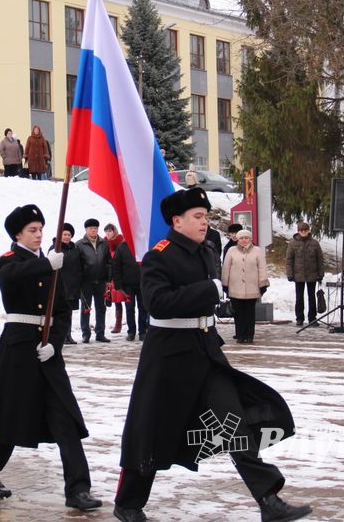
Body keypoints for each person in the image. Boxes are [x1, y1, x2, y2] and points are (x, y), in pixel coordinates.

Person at [114, 187, 312, 522]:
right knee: (152, 430)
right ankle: (128, 503)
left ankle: (267, 499)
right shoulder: (158, 256)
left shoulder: (206, 251)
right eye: (197, 217)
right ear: (177, 221)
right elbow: (157, 303)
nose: (205, 222)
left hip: (205, 352)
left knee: (233, 423)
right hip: (169, 358)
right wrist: (207, 290)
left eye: (206, 216)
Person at [0, 204, 103, 512]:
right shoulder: (7, 261)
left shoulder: (51, 266)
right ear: (17, 234)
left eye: (41, 229)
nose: (38, 234)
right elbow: (10, 277)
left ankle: (78, 489)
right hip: (18, 347)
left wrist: (55, 343)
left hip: (46, 351)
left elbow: (60, 311)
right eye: (32, 230)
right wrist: (47, 264)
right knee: (8, 416)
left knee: (66, 420)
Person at [222, 228, 270, 344]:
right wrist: (225, 284)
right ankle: (239, 335)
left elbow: (262, 268)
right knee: (238, 313)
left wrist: (263, 283)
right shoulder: (231, 251)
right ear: (238, 239)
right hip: (235, 287)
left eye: (246, 238)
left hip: (252, 287)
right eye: (242, 238)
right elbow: (226, 268)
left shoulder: (257, 251)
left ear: (250, 239)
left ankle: (249, 335)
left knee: (249, 313)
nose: (244, 240)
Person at [111, 226, 148, 341]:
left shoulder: (143, 246)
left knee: (143, 308)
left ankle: (142, 331)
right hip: (127, 285)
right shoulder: (121, 247)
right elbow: (116, 267)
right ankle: (131, 331)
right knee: (129, 308)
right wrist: (118, 284)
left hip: (142, 283)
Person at [48, 222, 83, 345]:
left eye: (69, 234)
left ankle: (68, 335)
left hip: (73, 286)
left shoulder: (74, 249)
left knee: (69, 313)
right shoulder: (54, 249)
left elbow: (79, 266)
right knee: (60, 313)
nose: (67, 237)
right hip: (60, 286)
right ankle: (60, 336)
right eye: (64, 234)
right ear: (59, 235)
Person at [77, 218, 110, 343]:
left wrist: (108, 278)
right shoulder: (79, 244)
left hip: (101, 281)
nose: (93, 230)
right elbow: (78, 265)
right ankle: (86, 334)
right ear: (86, 229)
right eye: (91, 228)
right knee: (86, 308)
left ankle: (100, 333)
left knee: (101, 308)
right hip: (86, 282)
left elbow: (108, 262)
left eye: (95, 228)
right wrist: (80, 280)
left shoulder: (104, 243)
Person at [285, 222, 325, 326]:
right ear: (298, 231)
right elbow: (289, 260)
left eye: (305, 230)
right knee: (299, 297)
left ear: (308, 231)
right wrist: (290, 274)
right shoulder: (292, 243)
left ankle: (312, 318)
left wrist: (321, 273)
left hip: (312, 274)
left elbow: (320, 259)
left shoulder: (315, 243)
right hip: (298, 275)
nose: (303, 232)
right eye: (301, 230)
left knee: (311, 297)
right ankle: (299, 318)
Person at [104, 223, 127, 335]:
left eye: (110, 231)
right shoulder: (104, 244)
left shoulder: (121, 243)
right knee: (112, 301)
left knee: (122, 301)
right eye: (106, 231)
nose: (108, 233)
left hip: (119, 276)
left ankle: (119, 324)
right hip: (108, 277)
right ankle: (116, 324)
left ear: (114, 231)